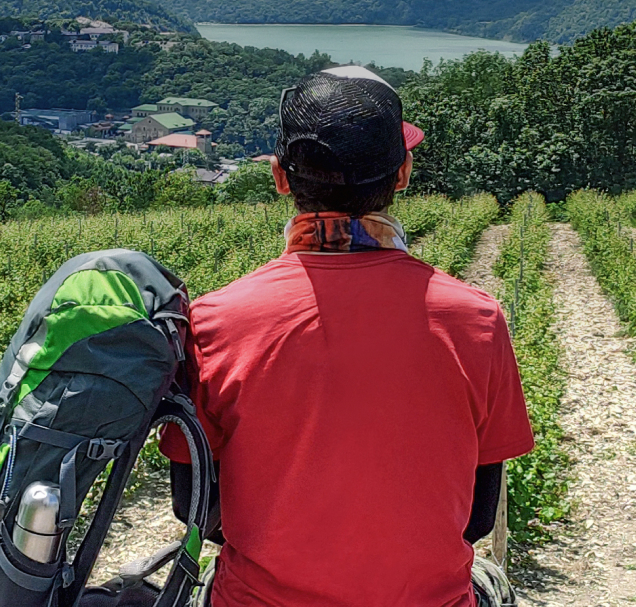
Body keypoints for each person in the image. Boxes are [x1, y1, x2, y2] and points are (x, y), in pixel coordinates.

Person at [165, 65, 533, 607]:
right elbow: (477, 515)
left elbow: (194, 507)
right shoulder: (475, 319)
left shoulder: (214, 321)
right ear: (403, 173)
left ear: (280, 177)